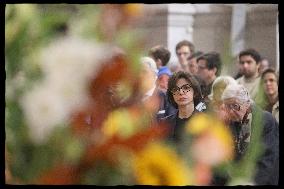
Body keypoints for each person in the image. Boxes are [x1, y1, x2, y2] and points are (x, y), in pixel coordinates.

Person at [213, 83, 279, 185]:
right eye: (227, 107)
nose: (231, 111)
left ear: (247, 103)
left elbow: (267, 162)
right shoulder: (231, 123)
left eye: (235, 106)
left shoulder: (265, 120)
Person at [160, 71, 204, 145]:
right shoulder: (164, 123)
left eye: (186, 88)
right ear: (172, 95)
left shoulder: (206, 123)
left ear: (195, 92)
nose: (180, 92)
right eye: (175, 89)